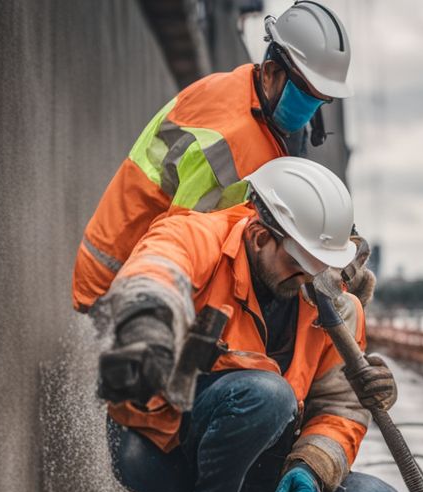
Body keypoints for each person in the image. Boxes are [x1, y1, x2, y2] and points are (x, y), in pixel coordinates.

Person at [94, 156, 409, 492]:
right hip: (168, 448)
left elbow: (339, 409)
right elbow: (156, 271)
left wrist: (311, 469)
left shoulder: (335, 305)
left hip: (265, 459)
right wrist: (148, 329)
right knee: (266, 393)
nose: (309, 280)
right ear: (261, 237)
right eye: (299, 264)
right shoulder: (199, 237)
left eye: (320, 267)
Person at [72, 1, 375, 313]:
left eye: (319, 99)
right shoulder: (231, 145)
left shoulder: (246, 90)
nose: (309, 107)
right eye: (304, 93)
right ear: (272, 71)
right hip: (126, 283)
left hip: (132, 268)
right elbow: (189, 245)